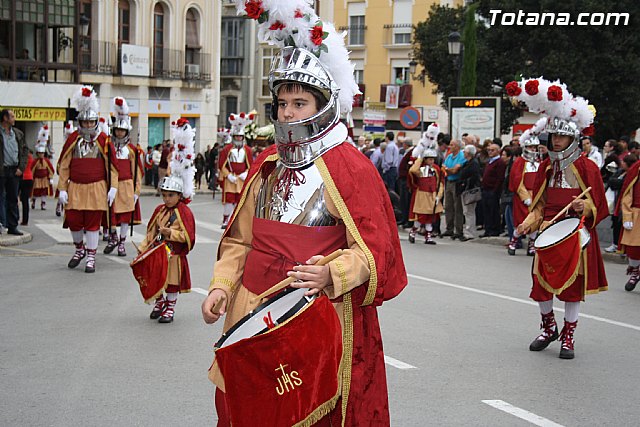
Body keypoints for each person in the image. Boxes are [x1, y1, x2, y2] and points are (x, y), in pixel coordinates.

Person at [201, 16, 407, 425]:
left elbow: (374, 251)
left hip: (313, 315)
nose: (288, 113)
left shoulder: (351, 168)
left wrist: (332, 273)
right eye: (282, 104)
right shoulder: (267, 163)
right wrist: (221, 286)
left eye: (300, 103)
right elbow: (241, 241)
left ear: (322, 104)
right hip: (251, 307)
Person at [511, 77, 607, 359]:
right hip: (547, 231)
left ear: (572, 139)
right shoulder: (545, 168)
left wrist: (583, 206)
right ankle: (548, 327)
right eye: (553, 136)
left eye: (561, 137)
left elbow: (599, 205)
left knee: (572, 289)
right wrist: (527, 223)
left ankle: (569, 336)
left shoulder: (587, 167)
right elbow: (539, 205)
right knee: (540, 285)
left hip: (574, 233)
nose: (555, 140)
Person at [138, 122, 196, 323]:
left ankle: (170, 308)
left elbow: (188, 237)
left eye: (171, 195)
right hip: (158, 253)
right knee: (156, 280)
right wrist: (144, 248)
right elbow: (151, 231)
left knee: (172, 283)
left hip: (174, 255)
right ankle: (159, 302)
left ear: (179, 195)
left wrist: (171, 233)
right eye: (164, 195)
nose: (167, 199)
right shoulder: (159, 210)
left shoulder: (184, 212)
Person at [57, 86, 119, 273]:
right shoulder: (73, 140)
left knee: (93, 223)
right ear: (80, 122)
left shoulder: (104, 140)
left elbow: (113, 166)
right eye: (85, 122)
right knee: (74, 220)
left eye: (91, 122)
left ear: (95, 122)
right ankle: (79, 250)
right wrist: (62, 188)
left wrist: (113, 187)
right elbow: (64, 165)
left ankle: (91, 256)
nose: (88, 125)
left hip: (96, 187)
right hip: (75, 187)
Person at [103, 97, 141, 257]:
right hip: (111, 186)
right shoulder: (108, 147)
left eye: (122, 130)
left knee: (125, 216)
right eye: (117, 130)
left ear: (126, 131)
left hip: (126, 186)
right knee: (111, 214)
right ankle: (113, 237)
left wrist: (136, 191)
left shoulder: (132, 150)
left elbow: (137, 171)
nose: (119, 133)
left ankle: (122, 243)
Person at [507, 121, 544, 255]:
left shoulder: (540, 162)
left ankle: (531, 245)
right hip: (523, 197)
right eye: (531, 147)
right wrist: (525, 197)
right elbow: (517, 181)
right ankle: (513, 242)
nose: (533, 150)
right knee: (522, 221)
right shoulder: (520, 162)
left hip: (537, 196)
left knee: (535, 220)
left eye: (535, 147)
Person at [217, 113, 253, 228]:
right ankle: (226, 220)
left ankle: (237, 220)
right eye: (236, 136)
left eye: (240, 137)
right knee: (229, 199)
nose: (238, 138)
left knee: (240, 200)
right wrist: (228, 175)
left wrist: (246, 173)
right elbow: (221, 165)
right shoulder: (227, 149)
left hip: (241, 179)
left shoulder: (247, 150)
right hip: (230, 179)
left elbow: (250, 164)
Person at [408, 143, 443, 244]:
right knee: (421, 216)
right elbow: (412, 170)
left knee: (430, 217)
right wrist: (420, 158)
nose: (432, 161)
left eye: (433, 159)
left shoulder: (436, 169)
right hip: (422, 195)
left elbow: (440, 183)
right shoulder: (420, 169)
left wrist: (439, 195)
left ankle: (428, 236)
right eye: (429, 159)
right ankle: (413, 232)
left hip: (432, 195)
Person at [0, 109, 28, 235]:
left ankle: (12, 226)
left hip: (14, 170)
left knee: (13, 199)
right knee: (1, 197)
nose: (14, 118)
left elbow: (24, 151)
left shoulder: (18, 134)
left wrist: (21, 168)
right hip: (2, 170)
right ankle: (1, 223)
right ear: (5, 118)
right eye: (12, 116)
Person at [615, 154, 640, 290]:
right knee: (633, 249)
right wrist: (627, 216)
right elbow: (627, 194)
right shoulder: (636, 168)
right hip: (637, 213)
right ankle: (635, 272)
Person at [442, 139, 466, 239]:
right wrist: (448, 170)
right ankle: (449, 228)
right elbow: (443, 168)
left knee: (457, 207)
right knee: (448, 206)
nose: (450, 147)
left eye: (452, 145)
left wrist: (448, 170)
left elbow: (455, 170)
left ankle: (458, 230)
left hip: (457, 183)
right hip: (449, 182)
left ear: (457, 147)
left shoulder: (461, 156)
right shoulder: (449, 156)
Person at [458, 144, 482, 241]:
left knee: (469, 212)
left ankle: (469, 232)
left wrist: (465, 184)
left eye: (464, 152)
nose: (463, 153)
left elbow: (474, 177)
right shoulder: (468, 162)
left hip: (469, 191)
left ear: (468, 153)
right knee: (467, 212)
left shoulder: (473, 164)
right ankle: (468, 231)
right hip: (466, 190)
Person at [31, 129, 54, 211]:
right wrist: (32, 178)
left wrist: (50, 178)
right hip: (37, 179)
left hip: (44, 179)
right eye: (40, 153)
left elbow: (51, 169)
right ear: (37, 154)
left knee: (44, 191)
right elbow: (32, 170)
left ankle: (43, 203)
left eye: (42, 153)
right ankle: (33, 201)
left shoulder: (46, 161)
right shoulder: (35, 161)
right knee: (36, 191)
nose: (41, 155)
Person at [19, 150, 34, 225]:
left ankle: (16, 217)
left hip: (22, 178)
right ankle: (25, 220)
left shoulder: (22, 157)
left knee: (15, 198)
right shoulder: (31, 158)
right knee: (25, 202)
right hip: (30, 178)